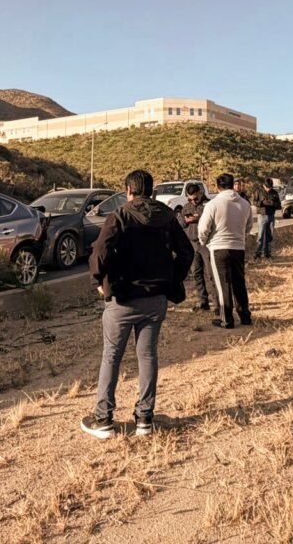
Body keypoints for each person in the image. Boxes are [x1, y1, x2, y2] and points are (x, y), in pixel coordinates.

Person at [83, 170, 194, 439]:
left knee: (112, 356)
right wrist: (171, 279)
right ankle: (145, 418)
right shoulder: (167, 217)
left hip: (122, 299)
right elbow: (186, 251)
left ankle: (104, 419)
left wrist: (99, 281)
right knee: (148, 356)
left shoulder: (120, 215)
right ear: (152, 191)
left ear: (129, 191)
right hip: (155, 299)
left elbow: (100, 252)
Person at [199, 173, 253, 329]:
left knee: (223, 284)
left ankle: (226, 319)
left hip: (218, 248)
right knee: (239, 283)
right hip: (238, 247)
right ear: (233, 185)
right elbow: (249, 226)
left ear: (217, 187)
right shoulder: (245, 204)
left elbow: (203, 229)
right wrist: (240, 237)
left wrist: (204, 242)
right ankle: (245, 316)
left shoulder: (213, 204)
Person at [178, 182, 215, 312]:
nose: (193, 201)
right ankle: (203, 301)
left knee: (211, 274)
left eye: (195, 198)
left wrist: (197, 219)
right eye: (190, 199)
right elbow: (180, 223)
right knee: (196, 274)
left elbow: (211, 221)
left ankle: (218, 303)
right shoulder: (186, 207)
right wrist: (186, 220)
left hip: (206, 243)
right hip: (192, 244)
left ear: (200, 193)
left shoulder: (209, 205)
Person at [254, 177, 281, 259]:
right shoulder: (258, 191)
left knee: (269, 235)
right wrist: (262, 203)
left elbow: (279, 205)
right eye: (267, 187)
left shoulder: (274, 193)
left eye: (270, 187)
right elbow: (254, 202)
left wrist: (273, 203)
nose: (269, 189)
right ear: (263, 185)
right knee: (260, 235)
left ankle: (267, 253)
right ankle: (258, 253)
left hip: (271, 215)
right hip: (262, 215)